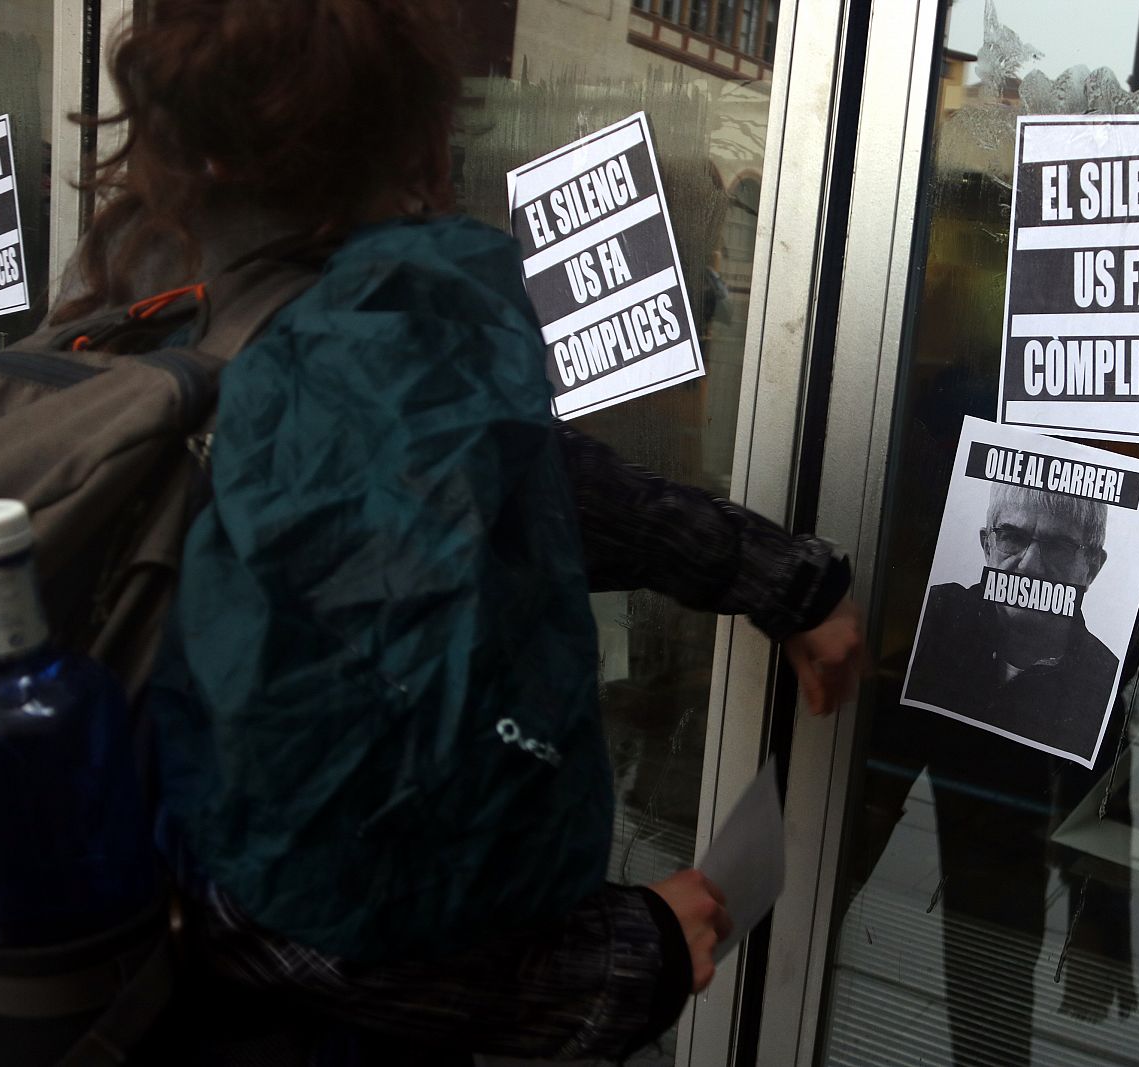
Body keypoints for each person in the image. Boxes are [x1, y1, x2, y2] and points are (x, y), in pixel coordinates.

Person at [48, 0, 863, 1060]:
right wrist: (629, 954)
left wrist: (778, 576)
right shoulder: (356, 371)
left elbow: (510, 481)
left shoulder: (131, 305)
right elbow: (286, 920)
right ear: (422, 148)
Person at [903, 481, 1116, 761]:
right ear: (987, 546)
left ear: (1092, 568)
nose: (1029, 565)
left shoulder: (1108, 683)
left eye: (1058, 546)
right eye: (1012, 537)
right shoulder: (933, 614)